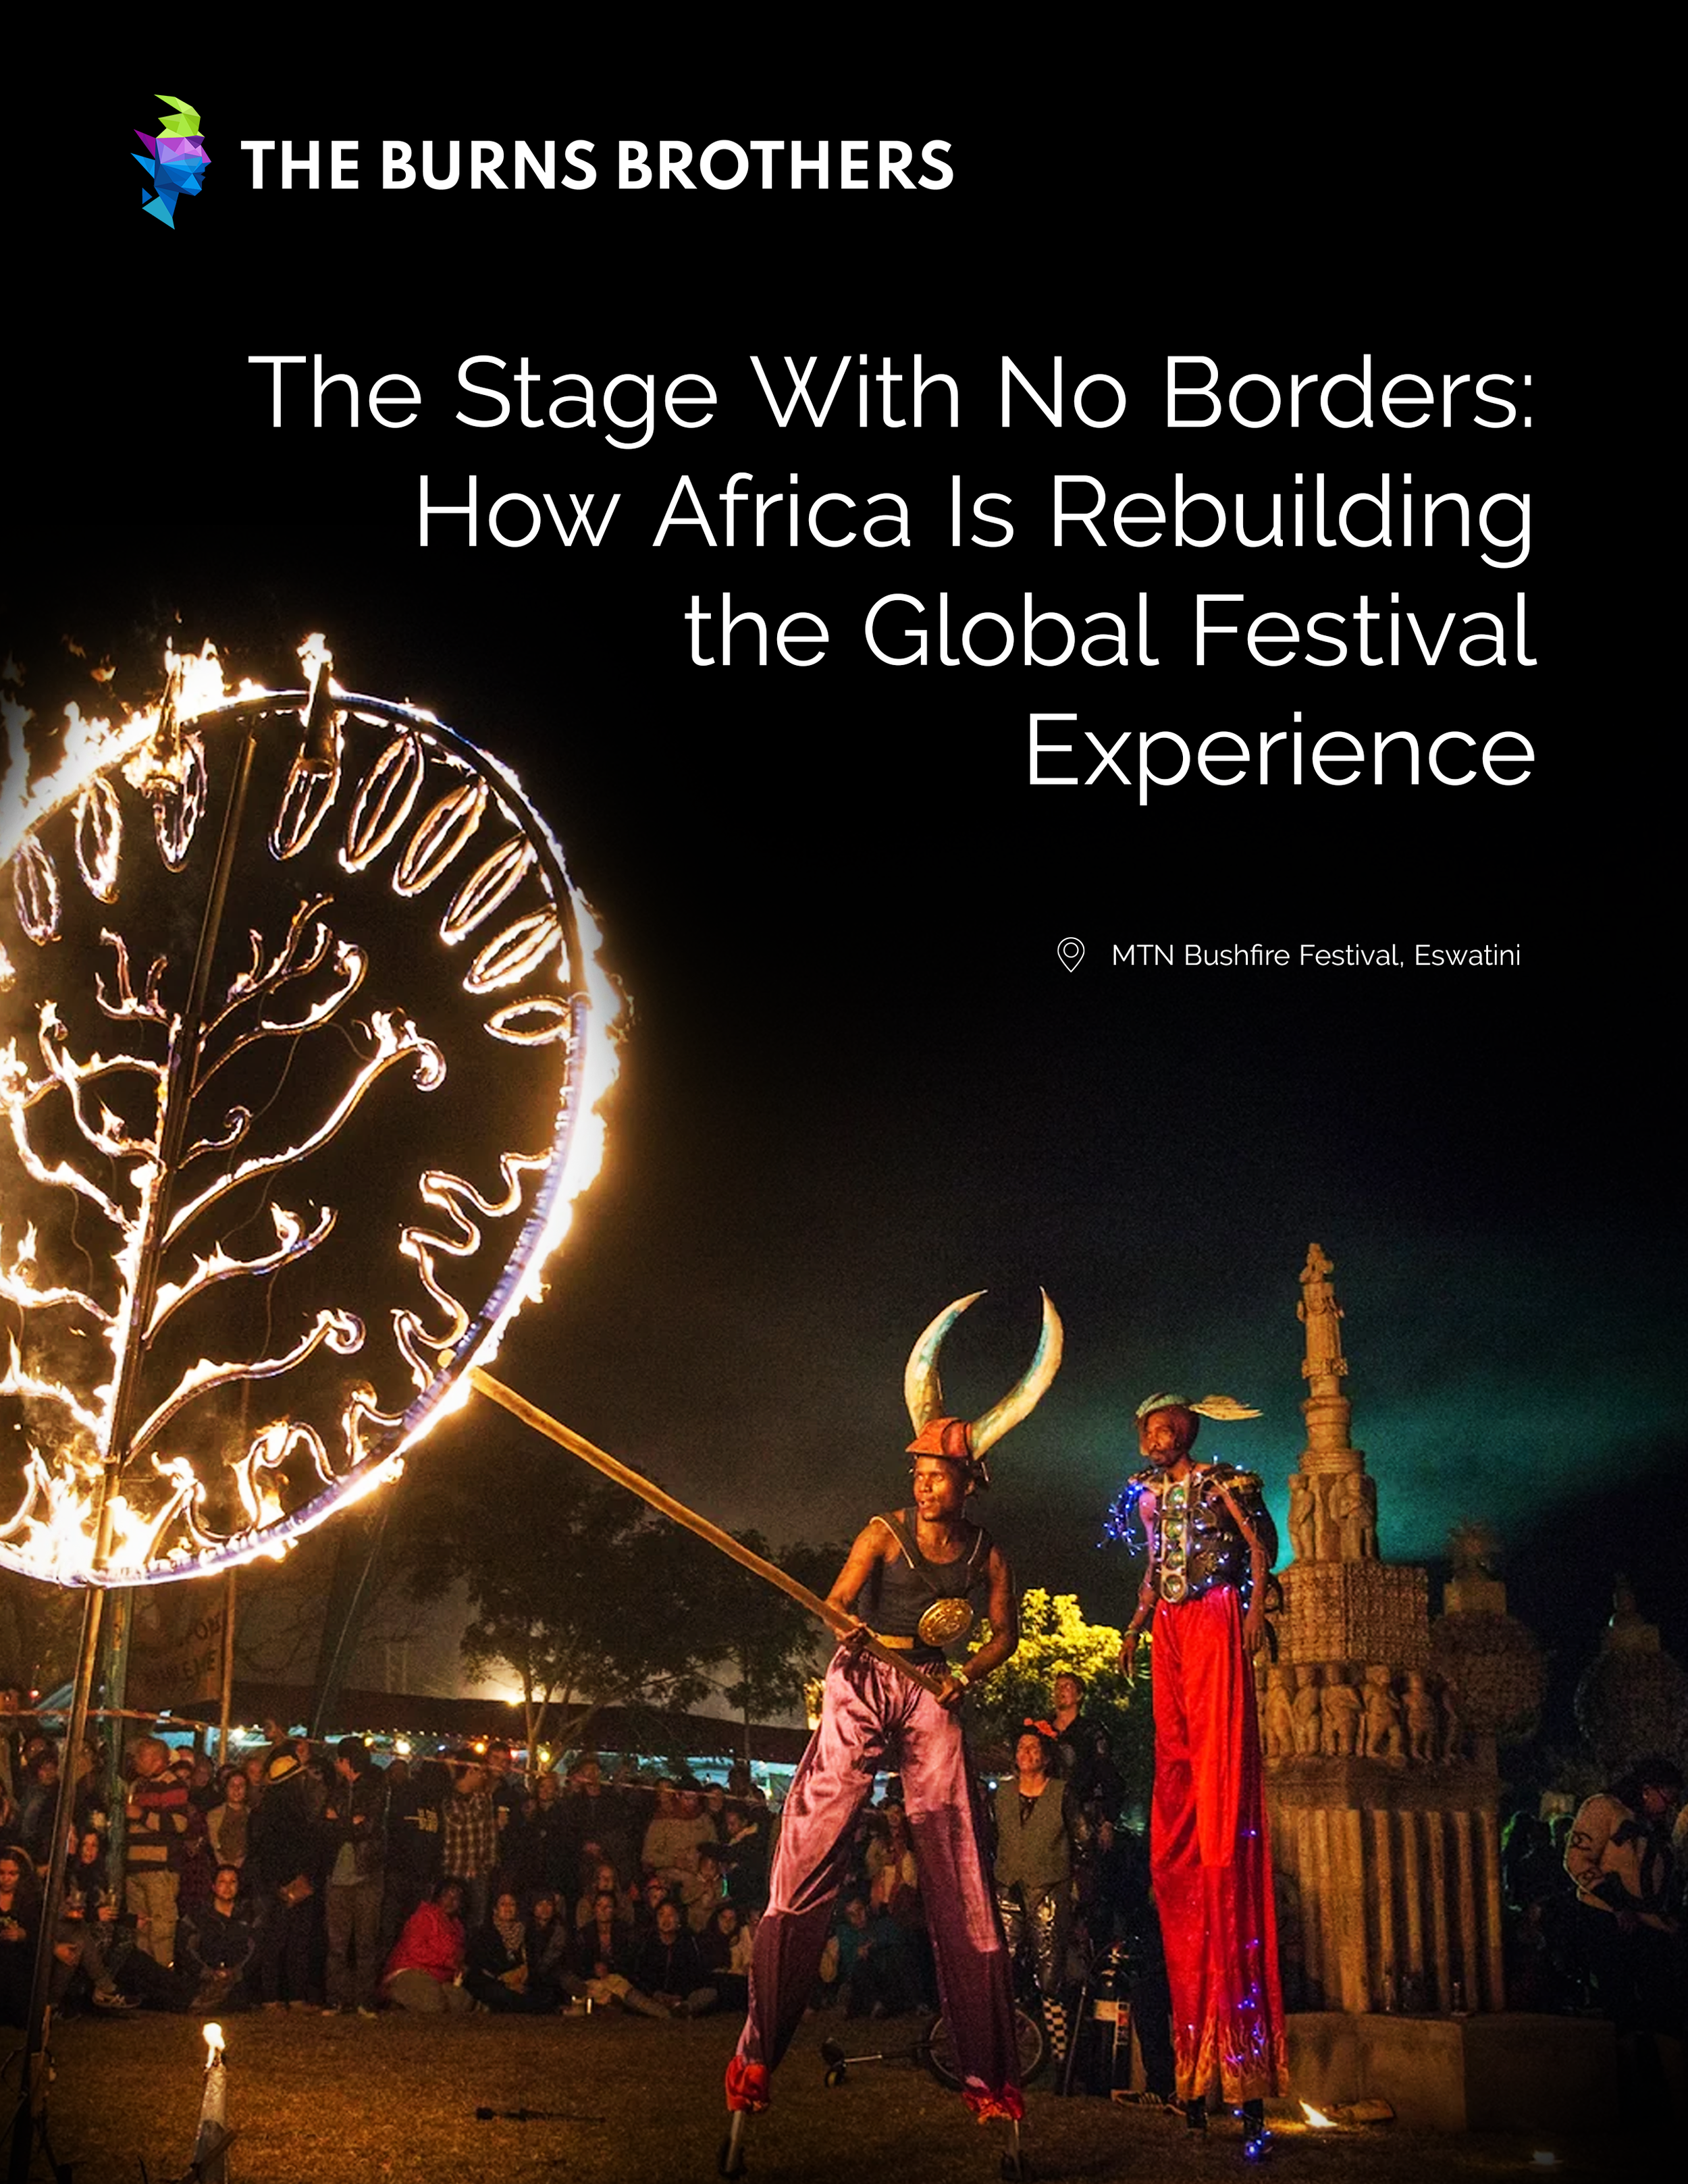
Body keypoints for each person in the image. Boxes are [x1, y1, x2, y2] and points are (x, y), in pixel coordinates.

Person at [724, 1289, 1061, 2169]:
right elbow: (836, 1604)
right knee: (812, 1835)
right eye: (917, 1468)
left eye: (936, 1472)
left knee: (957, 1855)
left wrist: (961, 1675)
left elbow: (1006, 1634)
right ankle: (758, 2050)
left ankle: (993, 2074)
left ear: (967, 1481)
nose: (922, 1478)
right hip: (867, 1678)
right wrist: (852, 1631)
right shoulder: (882, 1530)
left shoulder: (989, 1551)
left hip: (932, 1695)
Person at [1113, 1392, 1286, 2154]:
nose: (1152, 1438)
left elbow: (1260, 1546)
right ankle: (1192, 2074)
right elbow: (1154, 1568)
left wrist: (1251, 1611)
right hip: (1173, 1629)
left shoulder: (1223, 1482)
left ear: (1183, 1430)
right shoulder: (1146, 1497)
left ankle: (1242, 2079)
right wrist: (1136, 1621)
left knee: (1217, 1787)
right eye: (1145, 1429)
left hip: (1215, 1616)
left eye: (1161, 1428)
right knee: (1174, 1774)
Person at [993, 1723, 1078, 2067]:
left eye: (1033, 1748)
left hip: (1048, 1890)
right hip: (1008, 1888)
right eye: (1021, 1748)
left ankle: (1062, 2056)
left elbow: (1081, 1839)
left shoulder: (1062, 1793)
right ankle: (1008, 2045)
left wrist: (1078, 1887)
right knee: (1005, 1968)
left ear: (1044, 1756)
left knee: (1049, 1975)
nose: (1026, 1754)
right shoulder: (1002, 1794)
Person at [381, 1875, 471, 2014]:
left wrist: (459, 1967)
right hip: (411, 1971)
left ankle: (408, 2005)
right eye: (446, 1895)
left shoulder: (458, 1928)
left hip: (438, 1980)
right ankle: (395, 1997)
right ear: (438, 1897)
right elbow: (415, 1949)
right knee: (433, 2004)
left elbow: (457, 1958)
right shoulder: (424, 1916)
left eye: (457, 1898)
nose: (451, 1901)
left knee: (461, 2002)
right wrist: (447, 1962)